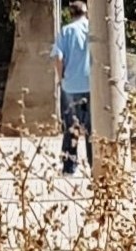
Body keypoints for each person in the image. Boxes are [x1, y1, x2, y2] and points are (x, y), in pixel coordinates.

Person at [51, 0, 92, 174]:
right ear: (86, 12)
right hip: (92, 85)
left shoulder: (66, 31)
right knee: (92, 128)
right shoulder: (93, 30)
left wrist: (61, 78)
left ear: (70, 13)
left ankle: (69, 166)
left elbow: (58, 57)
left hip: (71, 85)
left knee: (71, 127)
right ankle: (94, 165)